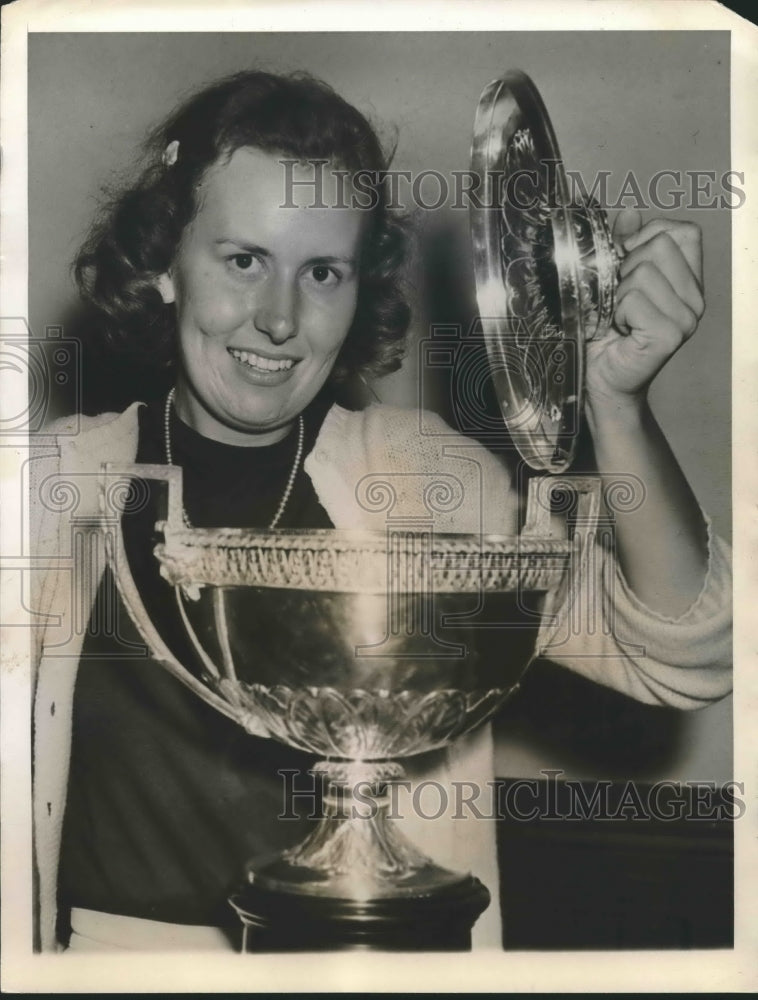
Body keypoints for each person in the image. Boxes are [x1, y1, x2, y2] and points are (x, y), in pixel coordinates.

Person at [30, 70, 732, 953]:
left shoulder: (427, 481)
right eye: (244, 261)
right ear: (168, 264)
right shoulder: (44, 494)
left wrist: (618, 406)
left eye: (323, 272)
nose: (280, 319)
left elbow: (684, 655)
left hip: (377, 966)